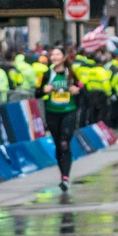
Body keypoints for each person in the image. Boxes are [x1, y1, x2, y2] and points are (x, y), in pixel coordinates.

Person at [35, 47, 81, 192]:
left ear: (63, 57)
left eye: (57, 54)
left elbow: (83, 89)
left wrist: (77, 91)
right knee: (58, 144)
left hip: (69, 112)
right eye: (52, 55)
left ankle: (66, 177)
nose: (54, 57)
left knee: (64, 143)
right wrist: (44, 91)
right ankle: (63, 176)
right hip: (52, 113)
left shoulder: (72, 73)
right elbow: (36, 93)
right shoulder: (46, 74)